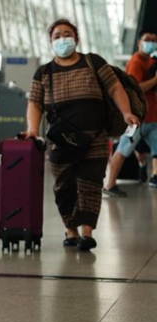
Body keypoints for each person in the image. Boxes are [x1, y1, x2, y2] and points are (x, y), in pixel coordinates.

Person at [22, 19, 139, 251]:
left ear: (76, 39)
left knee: (91, 183)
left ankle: (87, 232)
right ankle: (70, 230)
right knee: (63, 186)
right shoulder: (44, 73)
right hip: (60, 140)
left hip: (94, 137)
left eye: (67, 34)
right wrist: (33, 129)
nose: (62, 39)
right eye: (57, 36)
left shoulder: (93, 62)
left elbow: (115, 88)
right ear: (50, 41)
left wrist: (126, 112)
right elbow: (35, 103)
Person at [104, 30, 157, 196]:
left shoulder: (151, 61)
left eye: (154, 40)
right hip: (137, 119)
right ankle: (110, 185)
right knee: (123, 149)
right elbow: (137, 87)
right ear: (139, 43)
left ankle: (153, 176)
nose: (151, 43)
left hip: (153, 118)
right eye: (147, 40)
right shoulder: (135, 62)